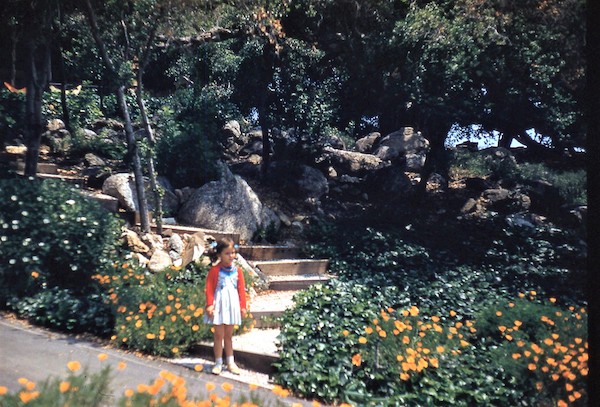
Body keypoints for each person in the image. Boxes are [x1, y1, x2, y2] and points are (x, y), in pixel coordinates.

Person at [204, 237, 247, 375]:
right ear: (219, 255)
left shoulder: (238, 271)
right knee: (218, 335)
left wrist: (243, 306)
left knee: (228, 335)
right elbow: (210, 288)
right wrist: (210, 305)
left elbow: (241, 289)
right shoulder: (215, 270)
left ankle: (230, 361)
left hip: (232, 305)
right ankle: (217, 362)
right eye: (227, 253)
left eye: (233, 253)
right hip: (219, 305)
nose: (231, 256)